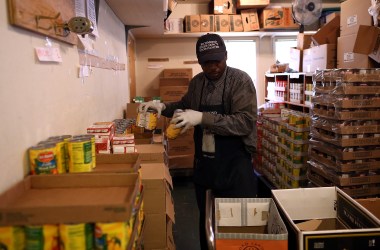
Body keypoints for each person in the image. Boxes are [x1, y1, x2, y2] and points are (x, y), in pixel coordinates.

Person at [139, 33, 257, 250]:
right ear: (199, 62)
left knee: (238, 230)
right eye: (206, 63)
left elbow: (244, 122)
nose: (213, 67)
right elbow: (184, 104)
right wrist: (163, 107)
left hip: (234, 166)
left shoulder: (240, 81)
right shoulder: (197, 83)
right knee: (208, 224)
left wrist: (203, 117)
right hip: (205, 166)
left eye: (217, 61)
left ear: (226, 56)